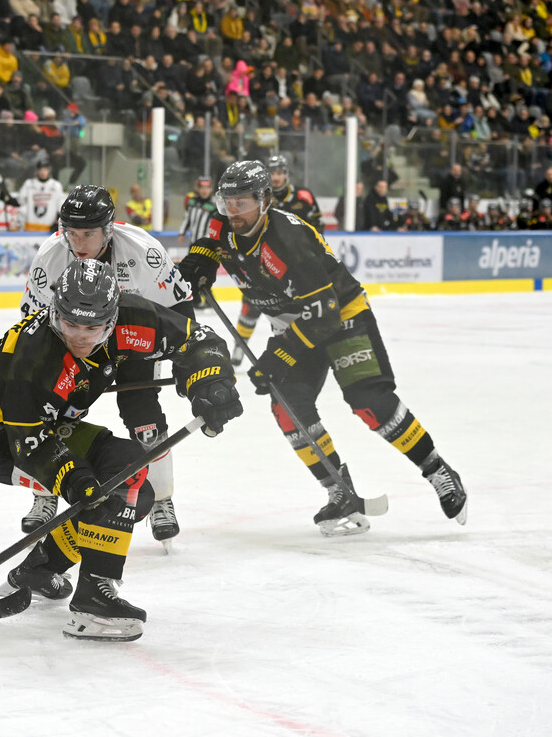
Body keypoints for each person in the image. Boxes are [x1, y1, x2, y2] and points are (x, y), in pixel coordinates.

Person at [177, 160, 467, 537]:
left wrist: (279, 353)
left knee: (369, 401)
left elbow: (324, 311)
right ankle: (339, 490)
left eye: (243, 203)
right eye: (228, 202)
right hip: (294, 323)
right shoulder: (226, 225)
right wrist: (200, 259)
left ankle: (437, 469)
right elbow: (212, 238)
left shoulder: (288, 239)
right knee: (286, 405)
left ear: (264, 200)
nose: (234, 212)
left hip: (341, 315)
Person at [0, 258, 242, 641]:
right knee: (113, 481)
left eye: (93, 327)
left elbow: (198, 341)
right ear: (53, 312)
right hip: (1, 437)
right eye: (69, 324)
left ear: (112, 320)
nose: (80, 336)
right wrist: (75, 477)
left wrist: (211, 384)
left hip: (56, 425)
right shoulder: (29, 354)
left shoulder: (131, 317)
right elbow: (29, 445)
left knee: (136, 493)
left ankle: (42, 568)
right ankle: (93, 600)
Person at [16, 185, 194, 543]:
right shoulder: (51, 256)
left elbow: (178, 308)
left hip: (128, 340)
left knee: (143, 414)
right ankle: (44, 494)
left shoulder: (142, 251)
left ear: (109, 228)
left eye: (89, 233)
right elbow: (30, 326)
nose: (78, 242)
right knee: (50, 415)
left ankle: (161, 499)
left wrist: (188, 360)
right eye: (72, 232)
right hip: (73, 342)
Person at [229, 154, 321, 366]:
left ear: (286, 174)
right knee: (251, 305)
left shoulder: (304, 196)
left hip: (296, 266)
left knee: (295, 309)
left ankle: (296, 352)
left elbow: (317, 228)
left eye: (280, 173)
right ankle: (240, 345)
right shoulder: (257, 197)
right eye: (273, 173)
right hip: (261, 263)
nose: (277, 177)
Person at [9, 158, 64, 232]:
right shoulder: (29, 184)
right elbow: (20, 201)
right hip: (30, 228)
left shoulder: (56, 185)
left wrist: (57, 221)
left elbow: (60, 206)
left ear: (49, 170)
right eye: (40, 169)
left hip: (48, 229)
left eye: (45, 169)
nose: (42, 172)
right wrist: (8, 199)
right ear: (37, 171)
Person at [178, 175, 217, 241]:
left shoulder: (214, 204)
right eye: (202, 188)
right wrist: (182, 233)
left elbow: (217, 225)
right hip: (193, 241)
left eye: (207, 188)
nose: (205, 191)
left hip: (207, 242)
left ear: (211, 189)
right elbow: (187, 218)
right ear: (198, 189)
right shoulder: (192, 201)